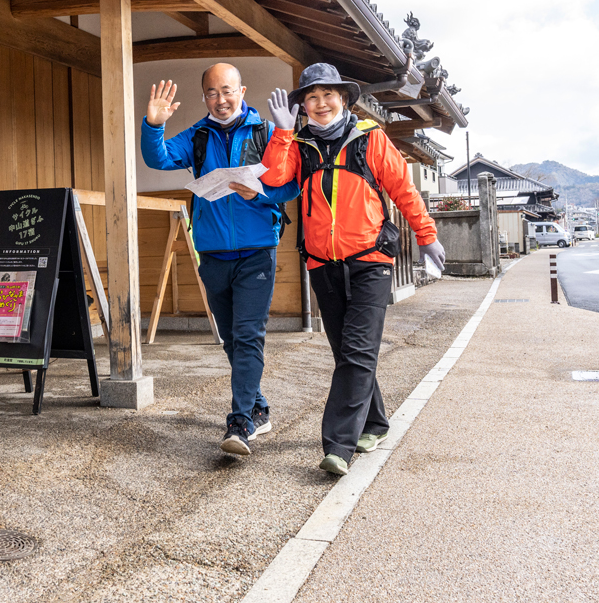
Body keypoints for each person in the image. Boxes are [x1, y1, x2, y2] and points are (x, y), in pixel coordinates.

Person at [262, 63, 446, 477]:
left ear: (343, 99)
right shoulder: (300, 143)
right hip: (322, 263)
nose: (321, 103)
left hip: (370, 261)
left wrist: (426, 235)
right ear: (304, 106)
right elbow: (274, 180)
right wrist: (282, 132)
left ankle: (339, 445)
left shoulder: (370, 140)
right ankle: (376, 423)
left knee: (358, 351)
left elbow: (404, 190)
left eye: (329, 95)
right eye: (311, 97)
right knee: (347, 352)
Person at [141, 63, 299, 457]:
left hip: (258, 251)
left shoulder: (265, 133)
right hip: (212, 252)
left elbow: (292, 185)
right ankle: (259, 407)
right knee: (231, 338)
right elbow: (158, 159)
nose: (221, 99)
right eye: (212, 93)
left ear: (242, 90)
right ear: (204, 97)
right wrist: (153, 124)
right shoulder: (197, 135)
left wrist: (260, 194)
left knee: (248, 335)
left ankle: (241, 421)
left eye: (227, 91)